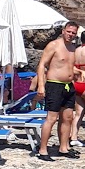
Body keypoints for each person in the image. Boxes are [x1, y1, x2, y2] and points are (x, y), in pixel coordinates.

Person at [35, 22, 80, 160]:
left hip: (68, 86)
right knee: (52, 118)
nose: (70, 35)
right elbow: (42, 65)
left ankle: (64, 147)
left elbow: (67, 66)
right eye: (69, 32)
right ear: (63, 31)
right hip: (54, 85)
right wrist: (41, 85)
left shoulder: (73, 48)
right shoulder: (53, 45)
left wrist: (79, 71)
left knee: (67, 117)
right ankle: (43, 150)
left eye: (73, 33)